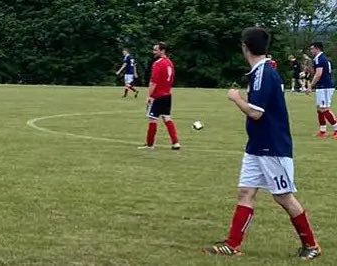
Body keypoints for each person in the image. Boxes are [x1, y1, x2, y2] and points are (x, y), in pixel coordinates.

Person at [204, 27, 321, 260]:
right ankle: (232, 244)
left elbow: (256, 113)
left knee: (283, 196)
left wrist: (236, 98)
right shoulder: (261, 71)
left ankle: (311, 246)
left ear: (245, 46)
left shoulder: (264, 73)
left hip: (272, 147)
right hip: (257, 146)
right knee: (245, 192)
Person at [140, 42, 180, 150]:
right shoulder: (170, 63)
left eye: (155, 50)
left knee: (152, 119)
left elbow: (154, 82)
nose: (153, 52)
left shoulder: (158, 64)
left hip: (157, 96)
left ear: (162, 51)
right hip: (167, 95)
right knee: (167, 118)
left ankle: (150, 145)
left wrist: (149, 96)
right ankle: (175, 142)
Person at [305, 42, 336, 139]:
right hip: (321, 86)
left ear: (317, 49)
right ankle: (322, 131)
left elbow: (319, 74)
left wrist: (310, 86)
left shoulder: (320, 58)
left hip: (325, 86)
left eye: (312, 49)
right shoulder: (318, 58)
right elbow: (315, 72)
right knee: (319, 109)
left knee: (324, 109)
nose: (311, 51)